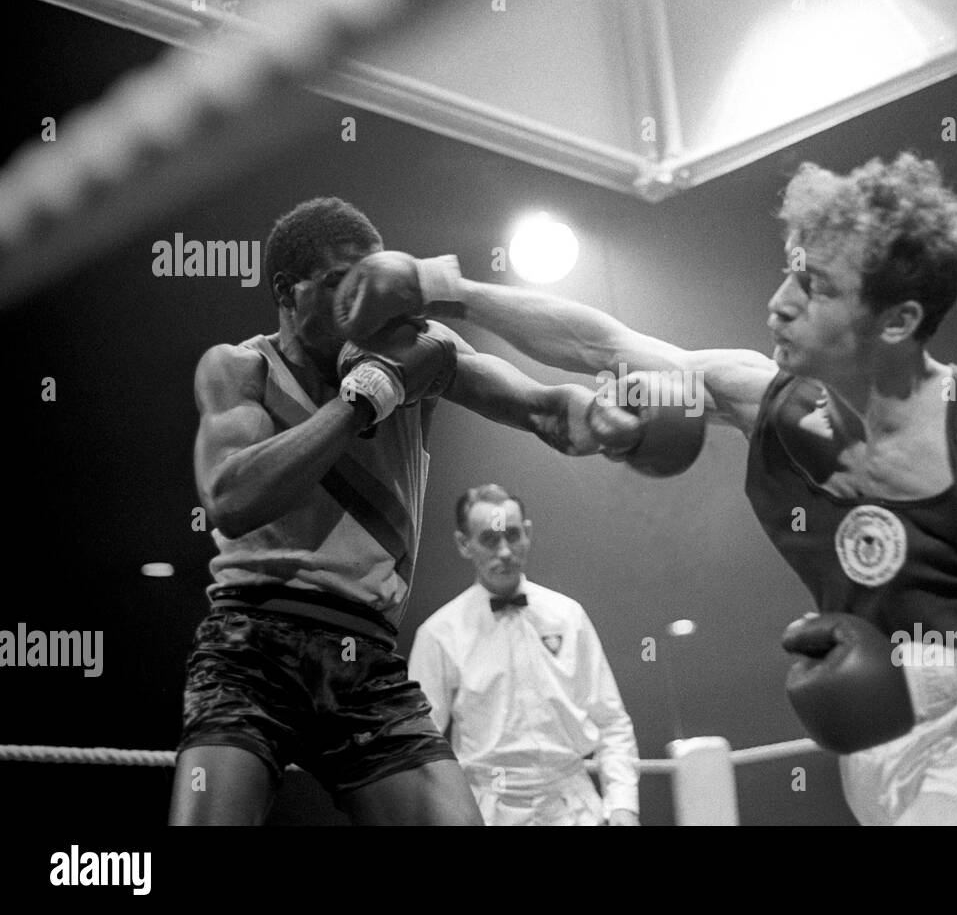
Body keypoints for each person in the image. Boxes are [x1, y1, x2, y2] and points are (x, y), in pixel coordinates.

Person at [404, 153, 957, 825]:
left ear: (898, 320)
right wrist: (448, 291)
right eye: (791, 272)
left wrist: (923, 678)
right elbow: (602, 346)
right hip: (879, 738)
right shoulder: (763, 400)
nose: (779, 303)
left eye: (817, 288)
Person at [170, 196, 632, 825]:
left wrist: (603, 417)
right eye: (339, 286)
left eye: (370, 285)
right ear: (287, 288)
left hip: (367, 660)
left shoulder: (421, 352)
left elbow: (541, 407)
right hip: (251, 644)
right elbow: (230, 500)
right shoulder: (240, 368)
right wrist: (363, 401)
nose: (359, 307)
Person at [408, 485, 640, 826]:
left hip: (574, 806)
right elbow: (421, 746)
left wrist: (623, 806)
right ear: (464, 544)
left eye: (512, 536)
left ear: (527, 534)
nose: (504, 551)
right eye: (489, 539)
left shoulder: (568, 615)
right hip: (487, 809)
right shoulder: (439, 633)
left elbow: (611, 721)